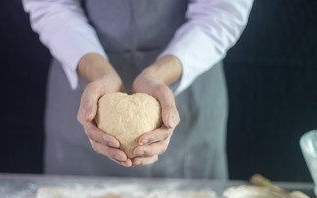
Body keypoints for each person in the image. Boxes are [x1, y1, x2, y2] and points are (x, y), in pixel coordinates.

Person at [22, 0, 254, 179]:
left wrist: (158, 75)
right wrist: (100, 72)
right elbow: (52, 4)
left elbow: (221, 11)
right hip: (84, 69)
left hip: (187, 73)